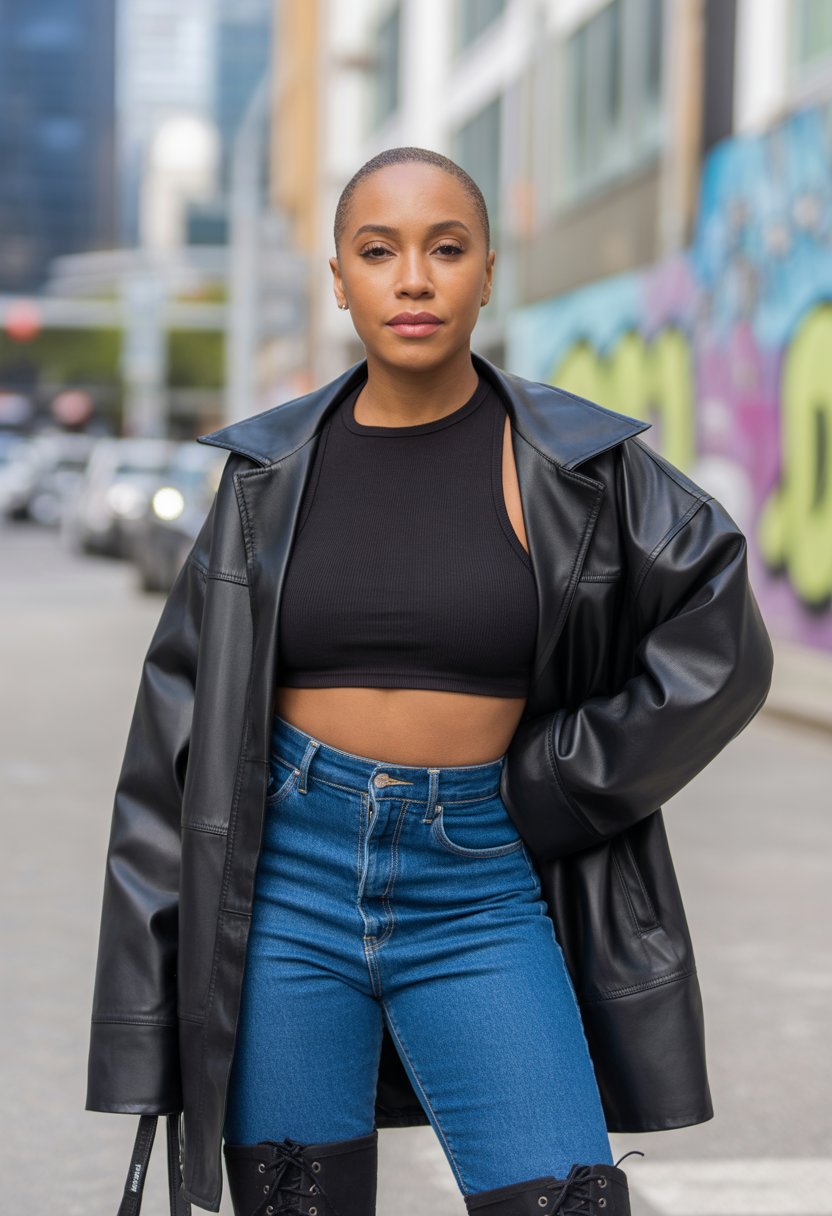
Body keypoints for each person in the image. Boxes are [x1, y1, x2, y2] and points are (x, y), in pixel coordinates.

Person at [85, 147, 774, 1216]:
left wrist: (555, 783)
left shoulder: (577, 463)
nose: (414, 278)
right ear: (340, 278)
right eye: (379, 250)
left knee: (564, 1199)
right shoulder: (264, 479)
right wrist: (141, 1019)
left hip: (479, 884)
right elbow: (171, 750)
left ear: (487, 272)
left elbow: (719, 636)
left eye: (445, 249)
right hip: (285, 889)